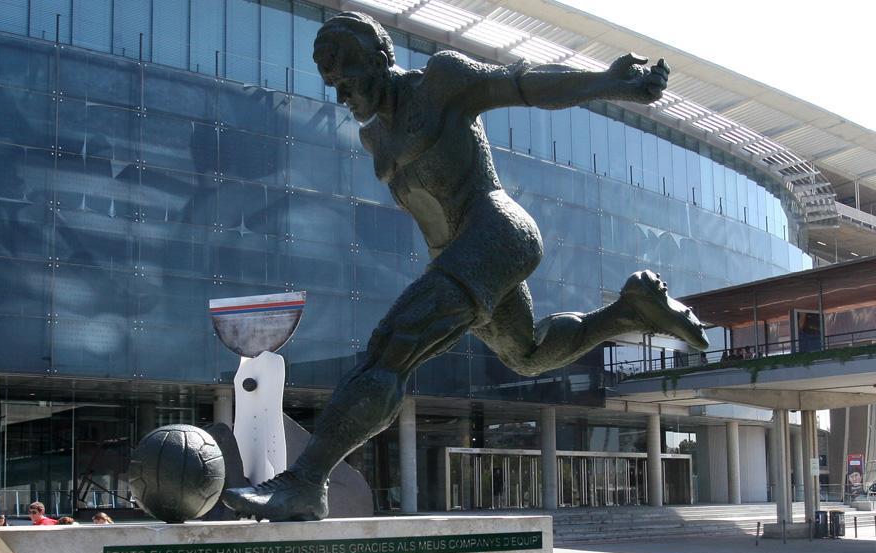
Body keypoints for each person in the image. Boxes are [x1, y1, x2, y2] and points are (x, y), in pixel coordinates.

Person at [223, 12, 709, 521]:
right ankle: (629, 312)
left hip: (495, 234)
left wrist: (606, 83)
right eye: (333, 86)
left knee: (389, 351)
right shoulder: (376, 140)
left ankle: (305, 482)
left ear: (378, 58)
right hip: (462, 256)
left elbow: (521, 85)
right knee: (529, 354)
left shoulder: (439, 83)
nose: (343, 96)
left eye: (348, 78)